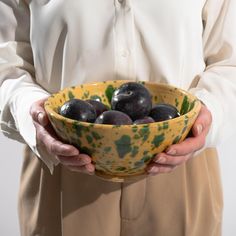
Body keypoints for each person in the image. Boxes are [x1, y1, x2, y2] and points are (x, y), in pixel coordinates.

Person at [0, 0, 235, 235]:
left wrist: (208, 112)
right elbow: (6, 63)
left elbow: (229, 62)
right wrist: (33, 112)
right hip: (61, 166)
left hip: (181, 167)